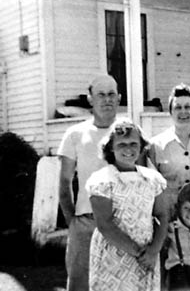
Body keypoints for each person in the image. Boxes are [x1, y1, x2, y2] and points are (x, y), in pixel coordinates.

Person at [85, 119, 169, 291]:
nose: (128, 149)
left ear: (142, 146)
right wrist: (138, 253)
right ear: (110, 148)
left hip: (147, 254)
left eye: (133, 143)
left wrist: (153, 250)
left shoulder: (152, 179)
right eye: (122, 144)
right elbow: (105, 225)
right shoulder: (102, 181)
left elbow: (162, 215)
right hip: (113, 255)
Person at [57, 74, 121, 291]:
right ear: (90, 99)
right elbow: (65, 182)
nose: (107, 99)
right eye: (101, 94)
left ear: (119, 98)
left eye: (112, 94)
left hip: (123, 223)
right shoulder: (75, 134)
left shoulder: (129, 132)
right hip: (86, 224)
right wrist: (72, 223)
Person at [148, 83, 190, 220]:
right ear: (170, 112)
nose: (183, 112)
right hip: (169, 220)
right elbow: (151, 189)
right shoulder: (156, 146)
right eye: (178, 107)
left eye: (188, 107)